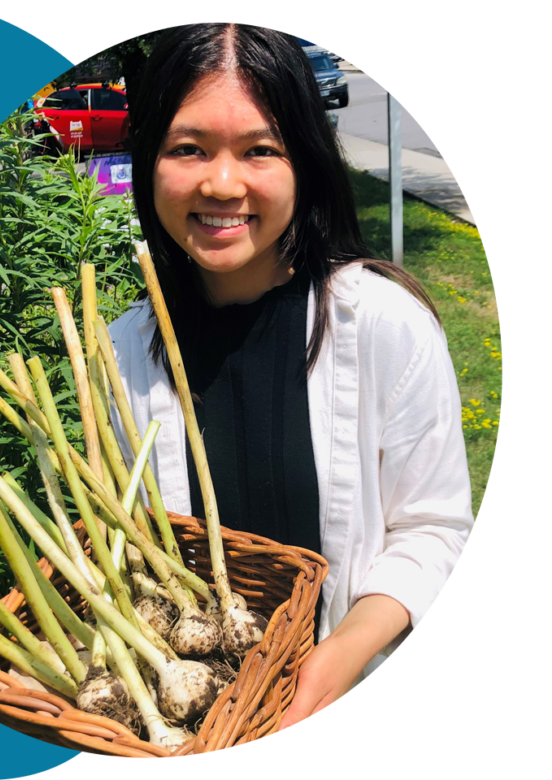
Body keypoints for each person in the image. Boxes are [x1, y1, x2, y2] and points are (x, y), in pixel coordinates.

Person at [105, 23, 473, 731]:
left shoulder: (383, 325)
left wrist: (334, 661)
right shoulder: (124, 346)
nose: (221, 182)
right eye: (188, 148)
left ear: (303, 161)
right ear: (150, 160)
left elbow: (434, 530)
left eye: (259, 150)